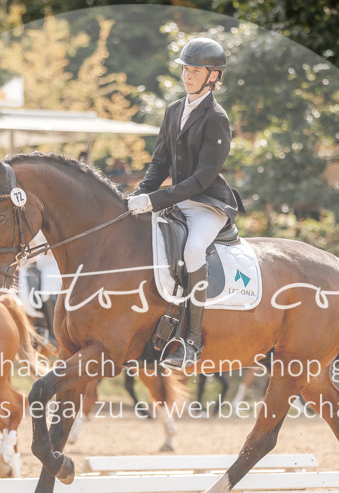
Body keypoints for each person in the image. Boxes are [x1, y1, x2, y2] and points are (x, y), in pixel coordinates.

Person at [127, 37, 242, 369]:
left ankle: (191, 341)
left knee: (192, 250)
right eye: (185, 69)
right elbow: (159, 164)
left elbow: (203, 178)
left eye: (195, 71)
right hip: (177, 200)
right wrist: (138, 196)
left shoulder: (216, 117)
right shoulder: (174, 109)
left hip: (208, 204)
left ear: (213, 76)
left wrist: (154, 199)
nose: (187, 76)